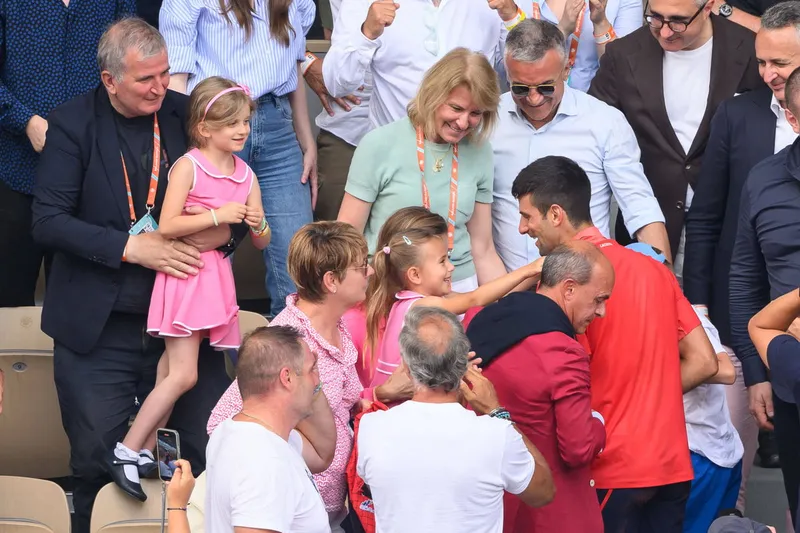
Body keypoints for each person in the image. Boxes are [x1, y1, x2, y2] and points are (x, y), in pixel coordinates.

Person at [30, 19, 239, 532]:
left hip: (183, 321)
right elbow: (48, 222)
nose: (159, 87)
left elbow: (231, 201)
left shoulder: (186, 116)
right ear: (109, 79)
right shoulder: (71, 125)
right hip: (100, 327)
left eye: (165, 74)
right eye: (146, 78)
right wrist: (132, 247)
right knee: (102, 466)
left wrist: (212, 233)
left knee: (196, 454)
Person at [511, 156, 719, 532]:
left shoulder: (564, 284)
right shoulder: (655, 269)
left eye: (528, 216)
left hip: (607, 469)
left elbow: (552, 380)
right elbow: (705, 361)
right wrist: (644, 401)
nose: (523, 228)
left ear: (556, 214)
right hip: (669, 463)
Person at [105, 76, 271, 501]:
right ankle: (126, 449)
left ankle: (149, 451)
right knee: (185, 374)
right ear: (203, 127)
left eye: (245, 123)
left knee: (167, 371)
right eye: (231, 123)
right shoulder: (188, 166)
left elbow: (261, 239)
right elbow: (169, 225)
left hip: (215, 280)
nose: (241, 131)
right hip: (186, 276)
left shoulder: (247, 173)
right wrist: (218, 217)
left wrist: (258, 224)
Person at [684, 0, 800, 507]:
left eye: (782, 63)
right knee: (733, 457)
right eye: (762, 62)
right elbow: (707, 219)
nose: (769, 74)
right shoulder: (737, 115)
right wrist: (701, 311)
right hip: (746, 322)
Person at [207, 221, 371, 533]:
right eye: (362, 267)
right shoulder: (289, 345)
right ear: (332, 281)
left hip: (330, 513)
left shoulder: (336, 326)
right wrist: (290, 461)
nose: (371, 273)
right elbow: (223, 423)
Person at [160, 0, 318, 317]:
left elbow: (293, 67)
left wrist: (305, 136)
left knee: (297, 258)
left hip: (276, 122)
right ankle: (210, 358)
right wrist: (186, 152)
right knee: (208, 251)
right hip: (212, 127)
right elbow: (176, 80)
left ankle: (290, 359)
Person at [588, 0, 763, 281]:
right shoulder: (623, 54)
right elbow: (592, 130)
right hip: (652, 227)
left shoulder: (751, 49)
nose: (666, 32)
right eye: (655, 18)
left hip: (729, 227)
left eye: (678, 21)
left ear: (708, 7)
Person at [356, 305, 555, 533]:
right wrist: (496, 411)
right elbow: (543, 492)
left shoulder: (372, 427)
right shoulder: (496, 434)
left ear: (407, 369)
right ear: (463, 366)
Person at [492, 19, 670, 272]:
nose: (533, 99)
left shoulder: (605, 122)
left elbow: (640, 210)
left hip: (584, 290)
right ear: (507, 75)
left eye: (545, 87)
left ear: (567, 70)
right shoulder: (487, 121)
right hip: (506, 290)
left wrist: (664, 285)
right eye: (520, 88)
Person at [465, 241, 614, 533]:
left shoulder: (477, 320)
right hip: (550, 511)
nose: (602, 312)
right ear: (568, 289)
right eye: (598, 299)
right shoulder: (563, 352)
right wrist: (598, 424)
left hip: (490, 506)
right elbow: (578, 448)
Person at [0, 0, 135, 308]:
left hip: (91, 171)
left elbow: (129, 63)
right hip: (16, 170)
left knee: (81, 300)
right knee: (8, 296)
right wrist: (25, 121)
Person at [338, 48, 506, 293]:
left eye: (476, 113)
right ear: (432, 95)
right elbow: (348, 234)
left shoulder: (480, 150)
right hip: (391, 283)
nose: (463, 123)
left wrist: (508, 310)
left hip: (458, 285)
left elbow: (483, 249)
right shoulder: (379, 144)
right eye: (456, 108)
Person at [362, 207, 543, 405]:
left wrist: (534, 274)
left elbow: (489, 296)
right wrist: (530, 269)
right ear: (415, 275)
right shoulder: (421, 305)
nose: (451, 266)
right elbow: (475, 298)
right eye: (442, 261)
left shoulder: (407, 300)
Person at [626, 243, 743, 533]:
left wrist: (651, 387)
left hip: (699, 454)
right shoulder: (639, 314)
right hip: (707, 452)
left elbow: (724, 370)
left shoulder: (685, 314)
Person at [729, 65, 800, 530]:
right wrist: (755, 374)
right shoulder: (763, 180)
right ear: (792, 118)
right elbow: (743, 280)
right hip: (789, 375)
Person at [205, 326, 337, 533]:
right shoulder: (264, 460)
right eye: (312, 370)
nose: (317, 381)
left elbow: (322, 455)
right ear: (287, 378)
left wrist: (313, 382)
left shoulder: (237, 429)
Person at [323, 0, 523, 129]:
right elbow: (337, 84)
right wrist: (366, 34)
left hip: (469, 157)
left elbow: (525, 78)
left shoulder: (500, 4)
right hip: (396, 160)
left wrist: (512, 18)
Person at [527, 0, 642, 92]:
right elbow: (515, 64)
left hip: (594, 103)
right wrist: (562, 31)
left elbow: (622, 71)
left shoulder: (624, 2)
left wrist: (601, 23)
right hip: (531, 95)